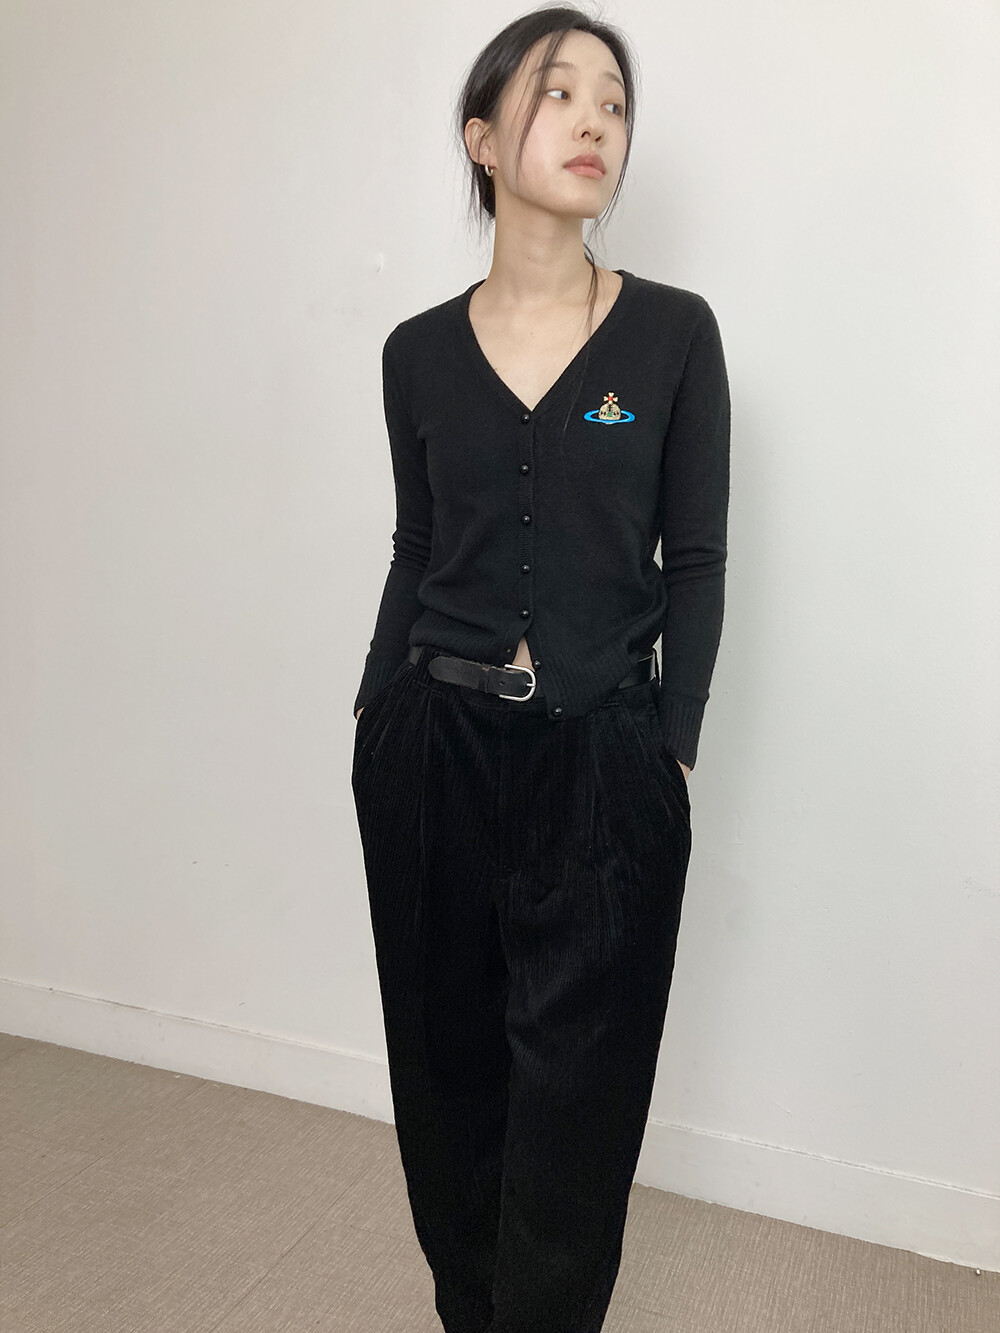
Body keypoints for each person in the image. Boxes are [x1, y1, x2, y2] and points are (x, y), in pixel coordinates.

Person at [351, 7, 730, 1332]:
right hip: (431, 752)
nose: (594, 122)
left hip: (605, 761)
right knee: (446, 1080)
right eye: (557, 92)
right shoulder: (414, 353)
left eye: (613, 103)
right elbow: (417, 546)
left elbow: (696, 558)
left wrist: (671, 748)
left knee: (582, 1097)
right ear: (482, 137)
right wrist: (373, 718)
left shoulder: (673, 335)